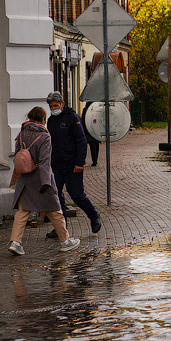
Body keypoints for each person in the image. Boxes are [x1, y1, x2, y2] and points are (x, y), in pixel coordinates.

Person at [8, 106, 80, 255]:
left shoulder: (21, 133)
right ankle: (65, 241)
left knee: (22, 212)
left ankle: (15, 242)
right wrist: (46, 183)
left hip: (25, 179)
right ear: (43, 119)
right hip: (41, 179)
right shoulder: (45, 136)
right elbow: (45, 162)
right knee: (55, 211)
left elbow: (17, 154)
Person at [45, 91, 102, 238]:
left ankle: (94, 216)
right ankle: (60, 228)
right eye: (51, 106)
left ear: (62, 104)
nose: (53, 108)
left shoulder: (72, 118)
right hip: (56, 165)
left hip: (72, 165)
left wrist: (79, 163)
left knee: (76, 194)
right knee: (56, 196)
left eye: (56, 105)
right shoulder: (51, 121)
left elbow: (81, 141)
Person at [81, 101, 100, 166]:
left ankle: (87, 161)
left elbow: (83, 120)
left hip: (88, 129)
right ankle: (95, 160)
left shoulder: (86, 109)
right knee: (95, 146)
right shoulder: (96, 109)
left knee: (88, 146)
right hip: (95, 129)